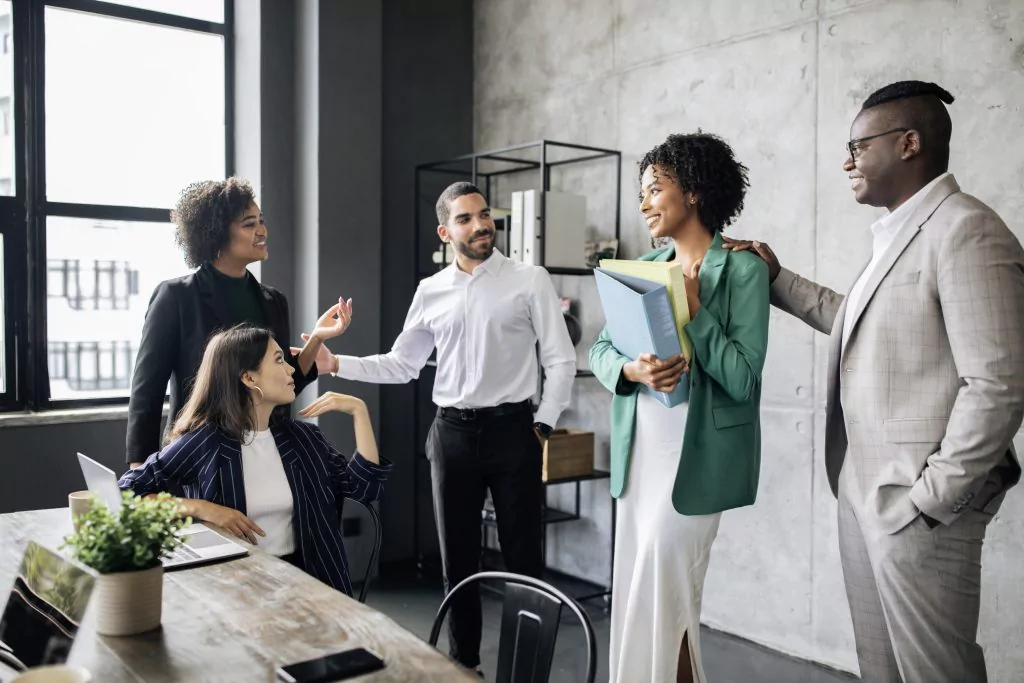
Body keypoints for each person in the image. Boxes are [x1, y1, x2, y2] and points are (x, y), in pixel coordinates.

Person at [725, 80, 1024, 683]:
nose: (847, 160)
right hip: (864, 491)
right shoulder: (898, 233)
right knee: (880, 669)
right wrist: (778, 280)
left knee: (936, 673)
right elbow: (864, 325)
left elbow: (1000, 382)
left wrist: (930, 501)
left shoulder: (966, 230)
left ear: (909, 143)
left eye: (858, 146)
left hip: (915, 504)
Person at [297, 182, 576, 674]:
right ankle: (463, 668)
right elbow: (402, 365)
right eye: (466, 219)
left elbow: (561, 358)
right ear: (446, 231)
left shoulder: (530, 279)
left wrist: (544, 424)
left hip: (516, 433)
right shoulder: (431, 291)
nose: (481, 225)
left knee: (525, 565)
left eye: (484, 214)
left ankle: (528, 671)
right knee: (458, 562)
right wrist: (336, 362)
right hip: (452, 437)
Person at [590, 132, 769, 683]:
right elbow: (601, 348)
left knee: (672, 596)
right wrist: (631, 370)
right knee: (645, 594)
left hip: (697, 460)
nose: (643, 203)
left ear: (692, 192)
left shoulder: (744, 269)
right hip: (641, 453)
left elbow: (742, 378)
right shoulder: (642, 265)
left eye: (654, 189)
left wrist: (695, 311)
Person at [119, 325, 391, 596]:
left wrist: (360, 412)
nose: (292, 370)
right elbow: (126, 492)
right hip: (235, 589)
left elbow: (364, 489)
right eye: (279, 360)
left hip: (311, 587)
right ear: (249, 378)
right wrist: (201, 508)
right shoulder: (205, 442)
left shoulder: (305, 439)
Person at [126, 177, 344, 468]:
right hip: (198, 458)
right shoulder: (176, 297)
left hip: (267, 455)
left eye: (261, 221)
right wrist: (140, 472)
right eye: (249, 224)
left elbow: (284, 381)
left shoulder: (274, 301)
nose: (262, 231)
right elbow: (146, 393)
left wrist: (317, 338)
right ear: (216, 234)